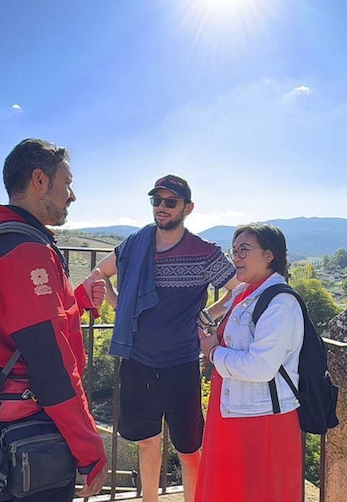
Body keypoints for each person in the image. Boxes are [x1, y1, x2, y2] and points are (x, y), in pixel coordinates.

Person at [0, 138, 108, 501]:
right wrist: (89, 447)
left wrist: (74, 303)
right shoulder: (26, 253)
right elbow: (49, 363)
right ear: (40, 180)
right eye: (66, 183)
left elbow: (9, 324)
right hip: (34, 429)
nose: (72, 195)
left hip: (3, 423)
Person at [88, 174, 239, 502]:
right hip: (138, 359)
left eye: (171, 201)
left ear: (188, 207)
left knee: (189, 449)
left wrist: (205, 317)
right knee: (146, 441)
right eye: (157, 200)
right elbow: (100, 272)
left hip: (181, 362)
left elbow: (239, 292)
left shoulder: (204, 253)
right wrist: (116, 303)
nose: (162, 207)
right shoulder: (134, 245)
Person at [195, 223, 304, 501]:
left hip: (261, 419)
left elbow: (261, 367)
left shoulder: (280, 303)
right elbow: (215, 316)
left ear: (270, 255)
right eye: (234, 251)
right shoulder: (245, 293)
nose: (236, 258)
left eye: (244, 250)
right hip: (236, 410)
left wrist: (212, 352)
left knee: (255, 491)